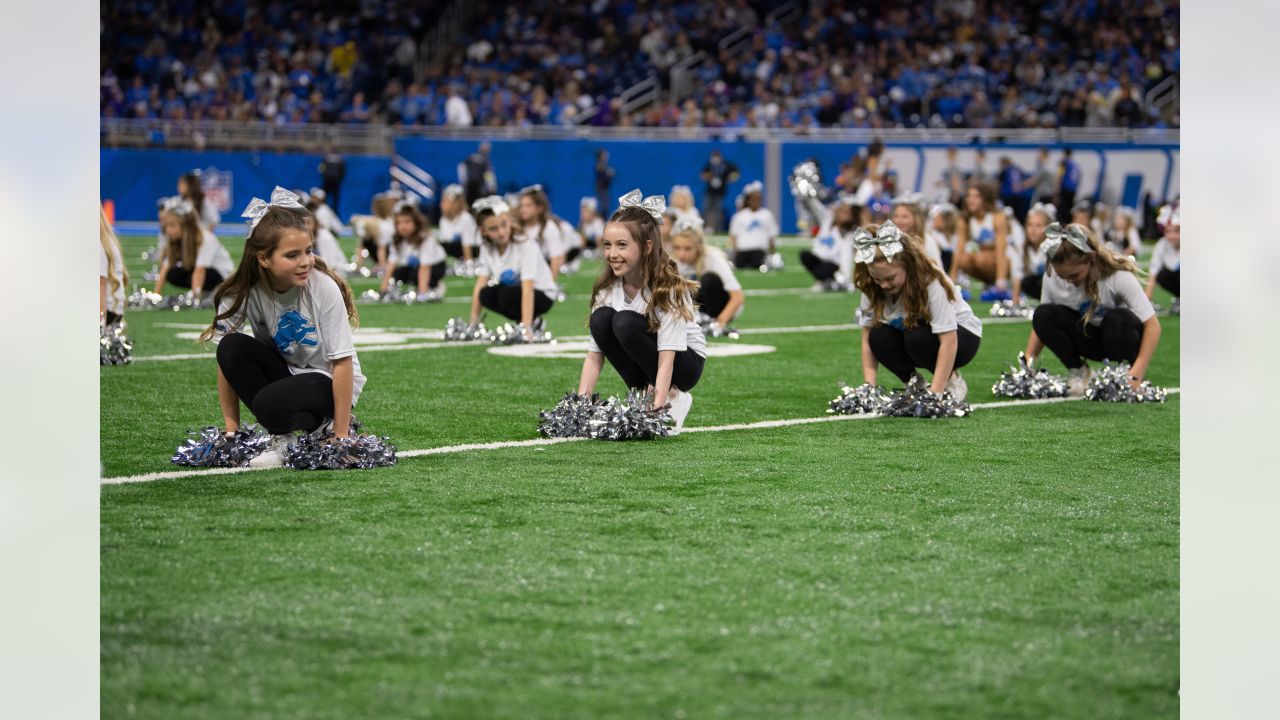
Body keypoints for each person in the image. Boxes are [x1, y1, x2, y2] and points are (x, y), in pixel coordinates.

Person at [199, 187, 366, 468]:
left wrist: (341, 436)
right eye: (292, 255)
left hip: (326, 380)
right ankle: (283, 437)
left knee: (268, 405)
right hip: (286, 374)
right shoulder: (239, 291)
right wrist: (231, 431)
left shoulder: (322, 286)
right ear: (263, 259)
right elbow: (226, 364)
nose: (305, 262)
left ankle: (322, 426)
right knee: (231, 346)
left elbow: (342, 362)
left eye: (308, 251)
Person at [577, 190, 704, 431]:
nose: (612, 254)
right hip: (653, 362)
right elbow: (594, 355)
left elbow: (667, 358)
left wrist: (658, 410)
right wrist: (581, 404)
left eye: (622, 245)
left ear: (647, 247)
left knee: (624, 321)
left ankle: (674, 397)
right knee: (601, 319)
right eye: (608, 245)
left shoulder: (669, 288)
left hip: (685, 363)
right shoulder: (607, 289)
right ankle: (646, 392)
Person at [1025, 222, 1161, 397]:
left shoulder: (1117, 275)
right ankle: (1080, 372)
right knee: (1043, 314)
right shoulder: (1051, 275)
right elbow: (1042, 324)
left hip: (1119, 337)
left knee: (1118, 318)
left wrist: (1137, 373)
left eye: (1074, 275)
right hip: (1087, 339)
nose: (1068, 281)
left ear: (1092, 258)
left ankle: (1124, 373)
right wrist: (1028, 362)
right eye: (1062, 276)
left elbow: (1153, 326)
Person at [854, 221, 981, 400]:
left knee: (916, 335)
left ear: (907, 265)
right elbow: (867, 338)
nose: (883, 284)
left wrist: (936, 392)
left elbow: (948, 341)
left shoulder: (931, 281)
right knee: (877, 336)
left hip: (963, 336)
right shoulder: (872, 286)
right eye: (877, 279)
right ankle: (915, 385)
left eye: (890, 278)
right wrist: (869, 386)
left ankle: (952, 381)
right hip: (917, 333)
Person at [467, 196, 558, 336]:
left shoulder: (525, 244)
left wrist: (526, 329)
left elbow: (528, 289)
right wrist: (473, 323)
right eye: (493, 229)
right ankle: (529, 321)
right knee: (485, 294)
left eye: (504, 224)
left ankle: (530, 323)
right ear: (483, 231)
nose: (501, 232)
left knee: (506, 295)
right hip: (516, 292)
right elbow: (480, 284)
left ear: (510, 221)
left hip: (543, 294)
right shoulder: (486, 247)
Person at [154, 196, 235, 297]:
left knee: (199, 274)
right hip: (201, 272)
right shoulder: (178, 240)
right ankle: (201, 290)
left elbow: (200, 270)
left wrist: (194, 298)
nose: (168, 230)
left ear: (186, 226)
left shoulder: (206, 238)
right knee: (172, 273)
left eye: (172, 225)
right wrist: (156, 295)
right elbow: (165, 267)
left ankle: (204, 292)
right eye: (167, 226)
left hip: (223, 278)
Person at [670, 217, 744, 326]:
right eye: (677, 248)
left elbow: (737, 296)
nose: (681, 254)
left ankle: (709, 320)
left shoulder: (713, 258)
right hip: (696, 305)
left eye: (687, 248)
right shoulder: (673, 260)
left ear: (698, 247)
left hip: (720, 306)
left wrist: (721, 322)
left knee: (709, 279)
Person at [950, 183, 1011, 300]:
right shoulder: (965, 219)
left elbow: (1001, 251)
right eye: (968, 196)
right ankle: (985, 285)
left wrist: (1001, 280)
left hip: (1006, 260)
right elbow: (959, 248)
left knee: (981, 258)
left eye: (976, 196)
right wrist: (952, 278)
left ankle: (998, 284)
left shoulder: (997, 217)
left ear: (986, 198)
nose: (971, 200)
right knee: (964, 259)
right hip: (982, 258)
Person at [378, 202, 446, 298]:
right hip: (415, 267)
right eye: (399, 223)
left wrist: (422, 293)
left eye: (407, 222)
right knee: (398, 273)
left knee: (416, 275)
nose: (403, 227)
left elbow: (425, 267)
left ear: (416, 222)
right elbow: (391, 263)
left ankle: (434, 285)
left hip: (435, 265)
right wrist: (383, 288)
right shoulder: (396, 239)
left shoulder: (425, 237)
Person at [797, 190, 861, 290]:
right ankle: (827, 282)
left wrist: (845, 277)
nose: (841, 213)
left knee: (824, 269)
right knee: (805, 255)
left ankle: (829, 281)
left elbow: (846, 256)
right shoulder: (827, 219)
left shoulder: (848, 235)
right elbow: (816, 207)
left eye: (845, 213)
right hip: (818, 259)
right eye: (841, 210)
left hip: (833, 265)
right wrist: (807, 192)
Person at [515, 184, 568, 281]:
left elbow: (555, 258)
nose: (523, 210)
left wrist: (550, 284)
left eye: (528, 205)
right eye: (521, 205)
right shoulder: (518, 227)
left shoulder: (549, 227)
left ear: (539, 208)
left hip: (541, 275)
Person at [727, 181, 778, 270]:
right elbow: (733, 236)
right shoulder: (739, 216)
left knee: (756, 262)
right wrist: (733, 253)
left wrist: (772, 254)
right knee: (740, 263)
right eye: (753, 199)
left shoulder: (767, 214)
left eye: (758, 199)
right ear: (748, 200)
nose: (756, 202)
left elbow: (771, 236)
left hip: (759, 250)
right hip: (743, 250)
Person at [1019, 202, 1057, 301]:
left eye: (1038, 225)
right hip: (1037, 286)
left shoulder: (1055, 247)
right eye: (1030, 225)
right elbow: (1018, 277)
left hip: (1057, 288)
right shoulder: (1022, 248)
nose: (1033, 229)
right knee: (1027, 283)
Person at [436, 184, 480, 264]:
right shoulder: (443, 220)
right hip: (456, 252)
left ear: (455, 204)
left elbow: (467, 245)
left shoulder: (466, 219)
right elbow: (445, 243)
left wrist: (469, 265)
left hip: (473, 251)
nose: (441, 204)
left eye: (445, 202)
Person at [700, 149, 740, 233]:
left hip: (720, 193)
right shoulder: (709, 165)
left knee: (718, 212)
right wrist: (709, 176)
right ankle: (705, 227)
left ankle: (717, 229)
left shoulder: (726, 165)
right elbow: (702, 175)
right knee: (706, 209)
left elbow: (736, 172)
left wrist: (730, 178)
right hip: (709, 192)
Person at [100, 205, 127, 326]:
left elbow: (101, 283)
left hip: (108, 314)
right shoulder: (103, 239)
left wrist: (100, 328)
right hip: (112, 312)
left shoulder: (97, 243)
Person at [1145, 209, 1179, 301]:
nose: (1172, 236)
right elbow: (1153, 272)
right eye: (1168, 232)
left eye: (1177, 231)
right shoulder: (1162, 244)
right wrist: (1147, 300)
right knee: (1162, 275)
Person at [318, 148, 346, 213]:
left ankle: (324, 211)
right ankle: (335, 212)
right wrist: (339, 179)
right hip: (336, 181)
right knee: (335, 200)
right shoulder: (340, 159)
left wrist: (324, 175)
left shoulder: (326, 158)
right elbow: (343, 171)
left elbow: (321, 168)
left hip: (327, 180)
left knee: (324, 197)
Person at [1057, 148, 1082, 214]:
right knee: (1069, 209)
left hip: (1065, 189)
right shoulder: (1075, 165)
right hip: (1072, 190)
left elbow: (1060, 176)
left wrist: (1056, 191)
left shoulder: (1063, 163)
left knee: (1062, 209)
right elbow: (1079, 177)